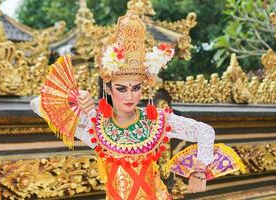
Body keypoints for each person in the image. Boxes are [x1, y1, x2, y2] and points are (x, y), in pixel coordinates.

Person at [31, 10, 215, 200]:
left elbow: (205, 131)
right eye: (121, 89)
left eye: (136, 88)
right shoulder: (95, 124)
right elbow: (38, 105)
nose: (130, 96)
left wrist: (199, 171)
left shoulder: (156, 120)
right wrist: (74, 96)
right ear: (108, 90)